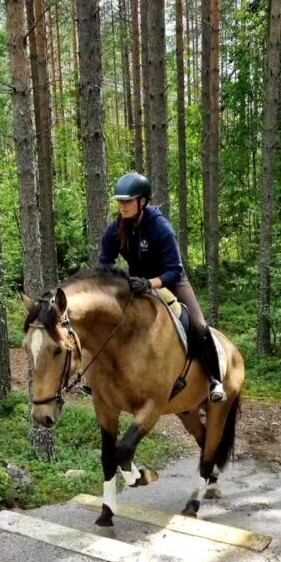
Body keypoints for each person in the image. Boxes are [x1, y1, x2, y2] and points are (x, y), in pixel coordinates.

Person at [99, 172, 226, 403]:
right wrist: (114, 284)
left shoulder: (160, 228)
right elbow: (105, 262)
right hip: (137, 283)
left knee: (198, 325)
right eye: (120, 201)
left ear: (142, 201)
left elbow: (174, 270)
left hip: (171, 281)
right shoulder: (116, 228)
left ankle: (215, 380)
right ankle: (103, 377)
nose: (122, 206)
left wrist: (149, 283)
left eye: (127, 201)